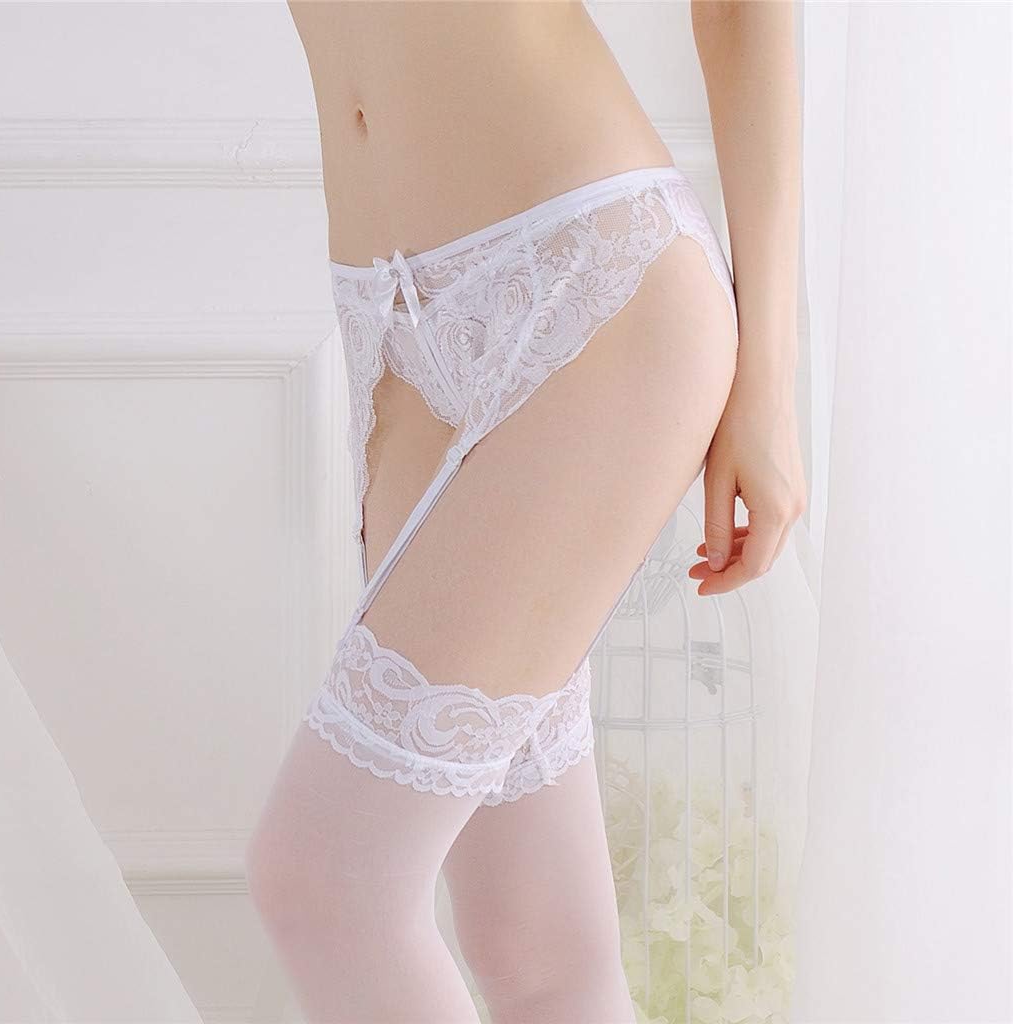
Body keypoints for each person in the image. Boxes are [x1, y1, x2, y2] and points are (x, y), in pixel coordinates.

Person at [246, 2, 805, 1022]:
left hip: (591, 274)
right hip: (393, 318)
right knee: (532, 943)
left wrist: (767, 384)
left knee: (328, 884)